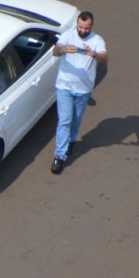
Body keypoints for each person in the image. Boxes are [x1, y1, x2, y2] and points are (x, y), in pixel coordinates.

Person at [50, 11, 108, 174]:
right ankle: (59, 156)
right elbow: (55, 50)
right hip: (65, 87)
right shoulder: (68, 35)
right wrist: (64, 49)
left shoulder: (97, 41)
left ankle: (71, 140)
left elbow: (104, 59)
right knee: (64, 121)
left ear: (91, 26)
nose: (82, 31)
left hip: (83, 90)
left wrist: (94, 54)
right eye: (80, 27)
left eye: (86, 28)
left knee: (76, 119)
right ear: (77, 24)